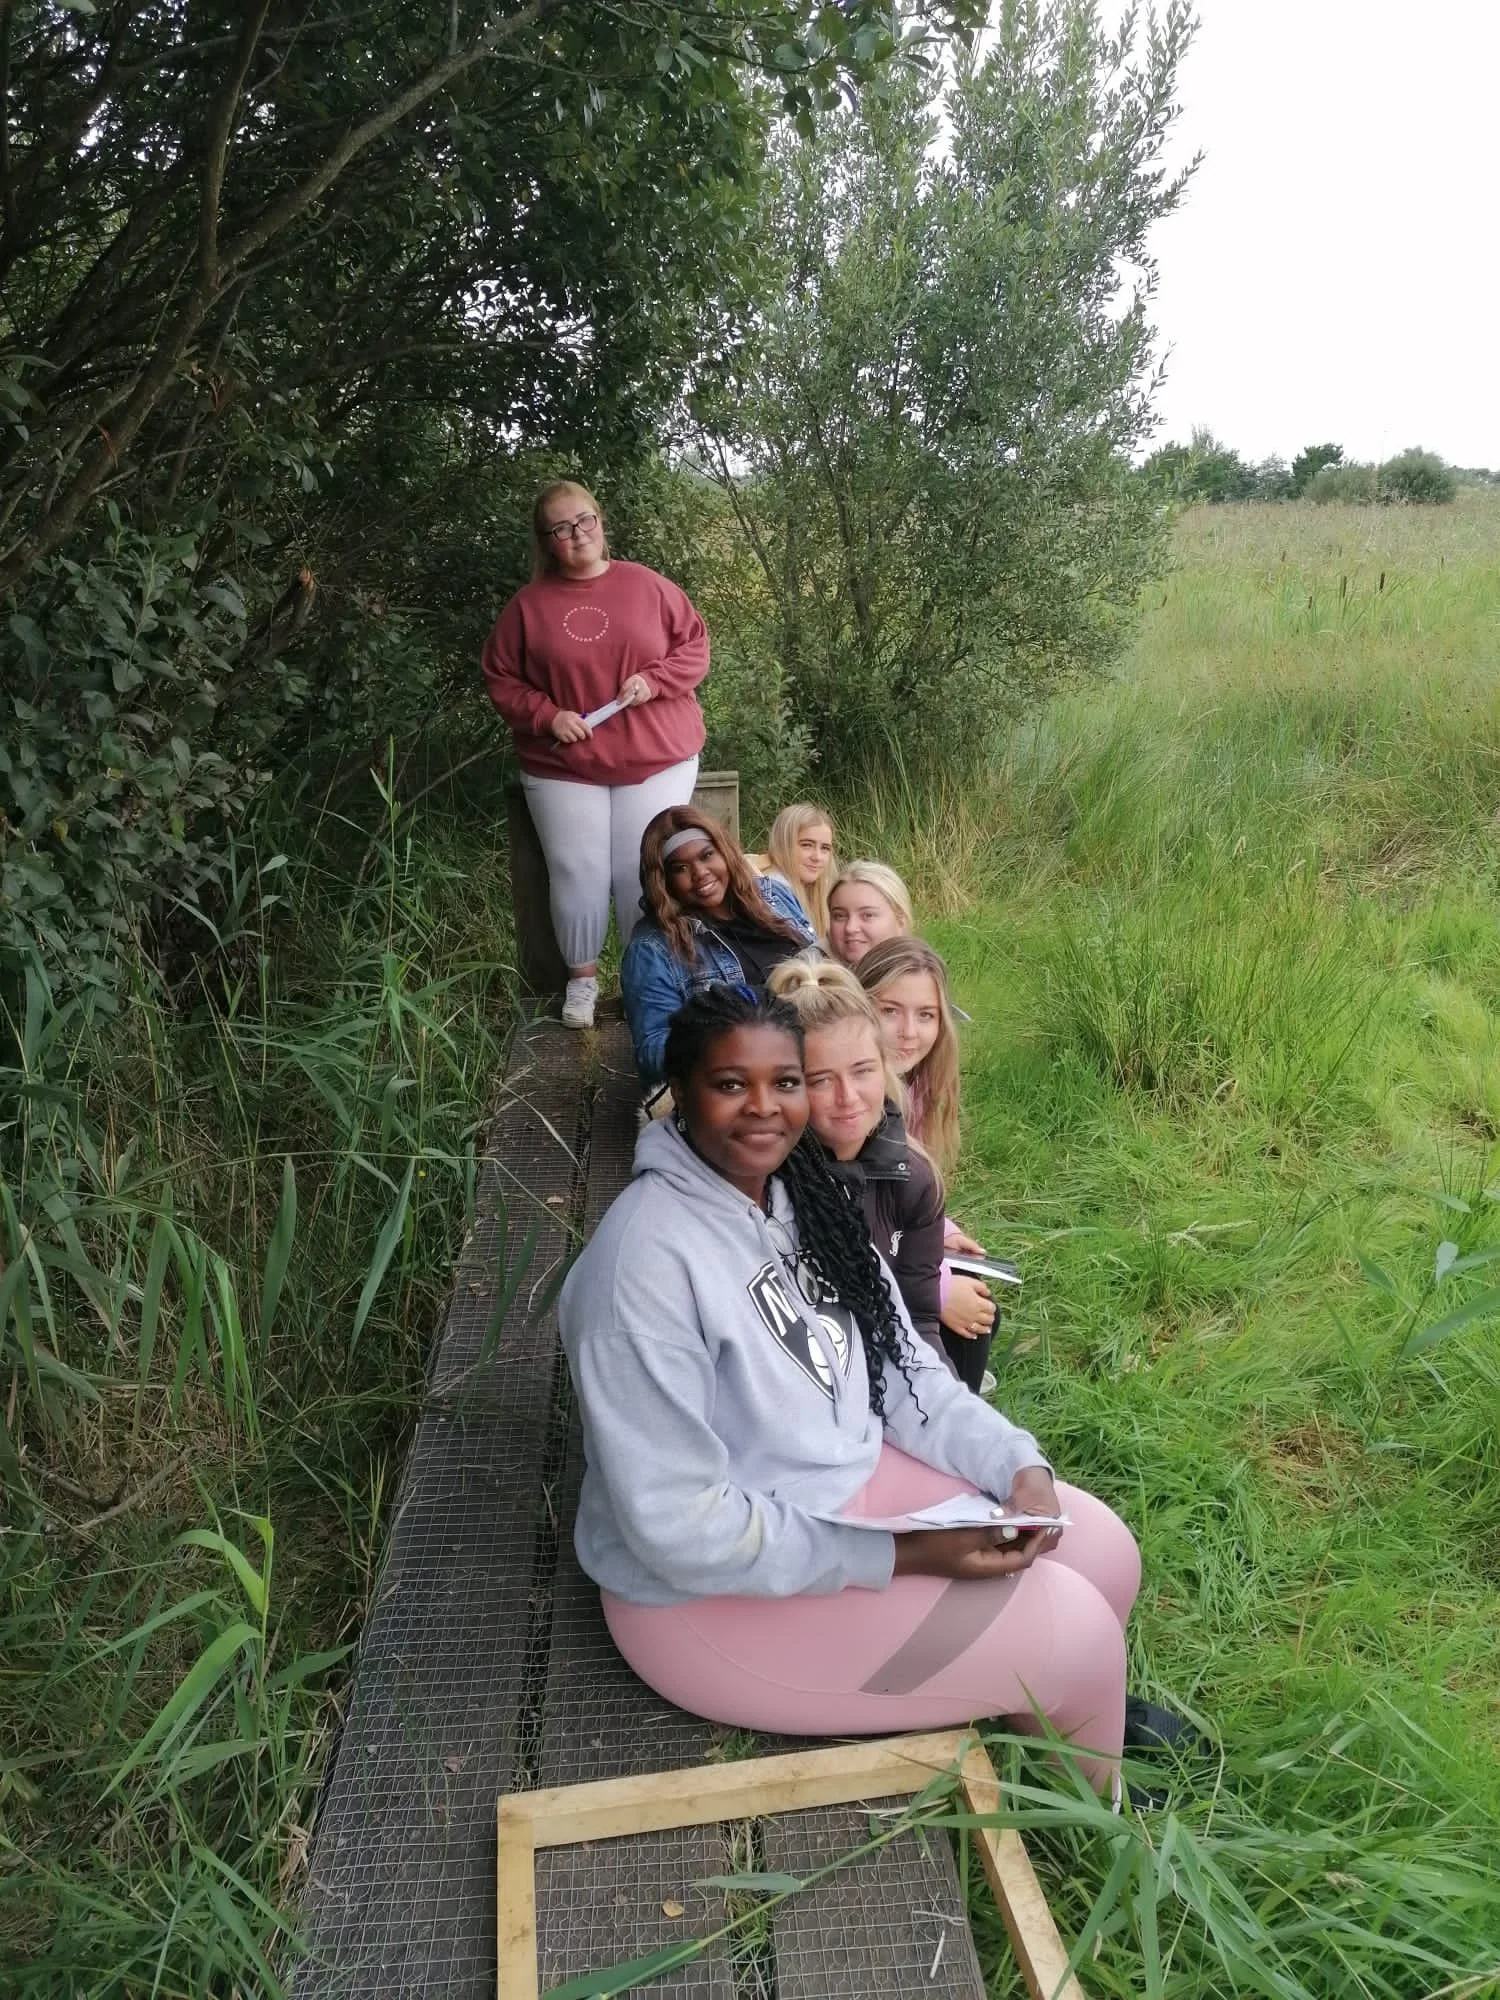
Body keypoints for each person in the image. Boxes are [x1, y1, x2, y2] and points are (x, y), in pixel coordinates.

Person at [557, 985, 1141, 1791]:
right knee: (1080, 1637)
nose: (764, 1108)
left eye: (785, 1081)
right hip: (703, 1603)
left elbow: (904, 1374)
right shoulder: (642, 1270)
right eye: (731, 1085)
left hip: (839, 1494)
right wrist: (904, 1553)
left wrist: (1016, 1466)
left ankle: (1063, 1703)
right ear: (680, 1095)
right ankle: (1101, 1809)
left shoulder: (801, 1199)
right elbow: (677, 1529)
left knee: (1101, 1547)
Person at [482, 479, 709, 1029]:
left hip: (656, 755)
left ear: (601, 522)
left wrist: (654, 681)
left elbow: (695, 648)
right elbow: (501, 677)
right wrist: (547, 716)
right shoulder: (528, 607)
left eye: (584, 521)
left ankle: (643, 978)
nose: (576, 535)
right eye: (561, 529)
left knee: (642, 871)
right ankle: (582, 981)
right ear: (547, 541)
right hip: (563, 765)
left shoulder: (650, 587)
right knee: (577, 870)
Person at [768, 959, 950, 1370]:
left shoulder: (915, 1181)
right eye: (820, 1080)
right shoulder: (761, 1186)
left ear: (884, 1068)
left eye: (862, 1071)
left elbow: (919, 1319)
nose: (848, 1096)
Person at [858, 935, 999, 1392]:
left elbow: (902, 1197)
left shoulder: (912, 1088)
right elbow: (859, 1226)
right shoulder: (855, 1104)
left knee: (977, 1295)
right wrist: (938, 1292)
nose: (908, 1032)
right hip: (852, 1275)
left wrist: (947, 1232)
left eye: (926, 1015)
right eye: (889, 1010)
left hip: (890, 1255)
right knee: (968, 1315)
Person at [620, 806, 815, 1090]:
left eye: (707, 855)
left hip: (820, 1055)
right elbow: (652, 1054)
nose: (700, 873)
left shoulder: (774, 895)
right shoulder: (652, 949)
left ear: (725, 851)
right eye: (680, 868)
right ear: (663, 880)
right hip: (744, 1082)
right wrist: (731, 1040)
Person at [749, 804, 838, 940]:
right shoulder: (770, 893)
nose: (817, 857)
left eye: (825, 848)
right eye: (806, 845)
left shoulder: (826, 890)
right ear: (784, 844)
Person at [827, 860, 913, 969]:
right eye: (839, 916)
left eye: (868, 915)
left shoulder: (921, 976)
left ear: (900, 920)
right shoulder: (809, 977)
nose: (850, 928)